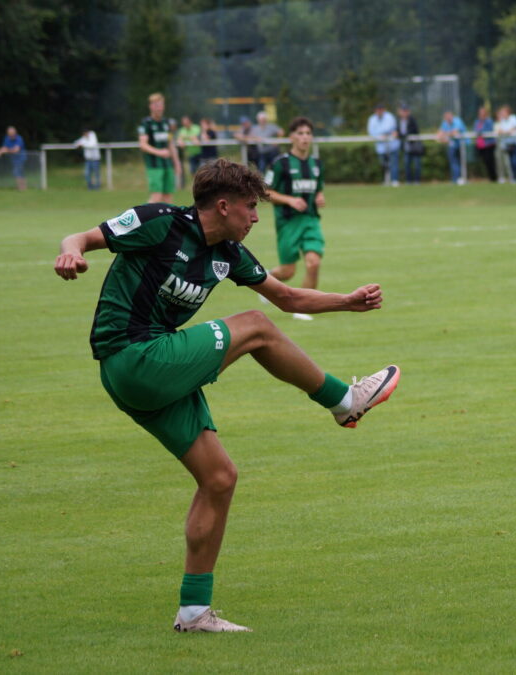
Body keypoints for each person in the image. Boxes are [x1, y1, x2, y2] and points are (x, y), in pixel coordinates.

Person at [53, 158, 400, 633]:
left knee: (219, 478)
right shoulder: (160, 223)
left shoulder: (230, 252)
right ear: (223, 205)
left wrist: (347, 301)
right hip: (132, 357)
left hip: (152, 371)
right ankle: (344, 401)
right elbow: (80, 238)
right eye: (250, 207)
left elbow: (288, 298)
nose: (257, 217)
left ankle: (194, 612)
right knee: (254, 327)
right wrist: (69, 254)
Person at [263, 116, 327, 321]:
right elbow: (265, 192)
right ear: (291, 137)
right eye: (300, 133)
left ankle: (303, 308)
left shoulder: (316, 164)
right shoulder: (280, 164)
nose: (304, 137)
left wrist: (319, 196)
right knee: (288, 271)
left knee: (314, 263)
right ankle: (267, 278)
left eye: (308, 133)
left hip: (310, 220)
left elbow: (318, 189)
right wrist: (290, 200)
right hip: (288, 222)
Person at [138, 92, 182, 203]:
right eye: (156, 105)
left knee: (168, 198)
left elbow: (170, 144)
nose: (159, 107)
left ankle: (167, 220)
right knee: (156, 197)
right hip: (154, 166)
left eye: (161, 104)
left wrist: (177, 163)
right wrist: (159, 152)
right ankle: (143, 218)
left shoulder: (167, 123)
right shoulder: (146, 124)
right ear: (151, 106)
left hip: (168, 165)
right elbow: (143, 145)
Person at [495, 104, 516, 184]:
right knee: (511, 163)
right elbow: (500, 131)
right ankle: (514, 179)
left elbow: (512, 130)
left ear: (508, 112)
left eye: (503, 112)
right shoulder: (502, 121)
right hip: (508, 145)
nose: (502, 114)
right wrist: (505, 131)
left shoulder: (514, 118)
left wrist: (505, 132)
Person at [366, 103, 399, 186]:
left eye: (381, 109)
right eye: (378, 109)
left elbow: (390, 128)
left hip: (392, 145)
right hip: (380, 146)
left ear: (384, 110)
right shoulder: (372, 119)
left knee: (393, 163)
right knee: (383, 164)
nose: (379, 111)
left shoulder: (389, 117)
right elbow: (371, 132)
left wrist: (382, 133)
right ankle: (386, 180)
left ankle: (394, 180)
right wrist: (380, 135)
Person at [437, 110, 468, 185]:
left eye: (449, 117)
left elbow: (455, 132)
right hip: (452, 145)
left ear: (451, 116)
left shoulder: (457, 121)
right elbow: (439, 135)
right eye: (446, 118)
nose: (448, 119)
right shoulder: (445, 123)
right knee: (453, 162)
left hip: (462, 145)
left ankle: (461, 178)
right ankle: (455, 179)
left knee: (461, 162)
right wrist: (444, 136)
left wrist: (445, 134)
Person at [0, 126, 28, 191]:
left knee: (16, 171)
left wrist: (6, 151)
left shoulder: (19, 138)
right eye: (9, 133)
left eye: (12, 133)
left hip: (21, 158)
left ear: (15, 133)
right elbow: (4, 147)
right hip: (14, 159)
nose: (11, 135)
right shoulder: (7, 138)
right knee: (20, 172)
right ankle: (23, 187)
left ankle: (21, 187)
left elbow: (16, 150)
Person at [397, 103, 423, 185]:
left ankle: (417, 181)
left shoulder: (412, 120)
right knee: (407, 165)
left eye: (406, 111)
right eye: (403, 111)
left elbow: (413, 131)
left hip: (414, 146)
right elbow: (398, 132)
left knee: (416, 165)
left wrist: (401, 135)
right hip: (406, 146)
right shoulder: (399, 121)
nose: (404, 113)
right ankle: (408, 181)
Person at [474, 106, 497, 182]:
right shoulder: (477, 121)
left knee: (490, 161)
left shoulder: (489, 121)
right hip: (480, 145)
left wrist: (481, 132)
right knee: (485, 162)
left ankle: (494, 178)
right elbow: (476, 130)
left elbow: (488, 130)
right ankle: (490, 177)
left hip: (489, 144)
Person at [176, 115, 203, 180]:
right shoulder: (182, 130)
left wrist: (186, 137)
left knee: (202, 171)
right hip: (191, 154)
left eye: (186, 122)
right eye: (183, 123)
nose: (185, 124)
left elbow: (196, 138)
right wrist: (180, 140)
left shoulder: (196, 128)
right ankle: (195, 184)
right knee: (192, 171)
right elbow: (179, 139)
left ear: (190, 122)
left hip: (200, 153)